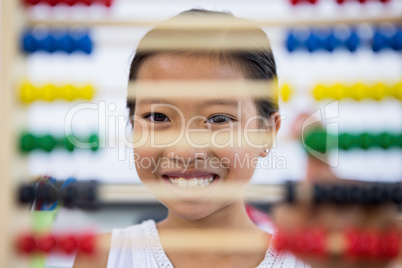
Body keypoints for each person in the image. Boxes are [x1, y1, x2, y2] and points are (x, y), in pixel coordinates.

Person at [74, 9, 398, 268]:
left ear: (268, 133)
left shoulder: (317, 259)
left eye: (219, 119)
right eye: (158, 117)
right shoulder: (103, 257)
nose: (186, 149)